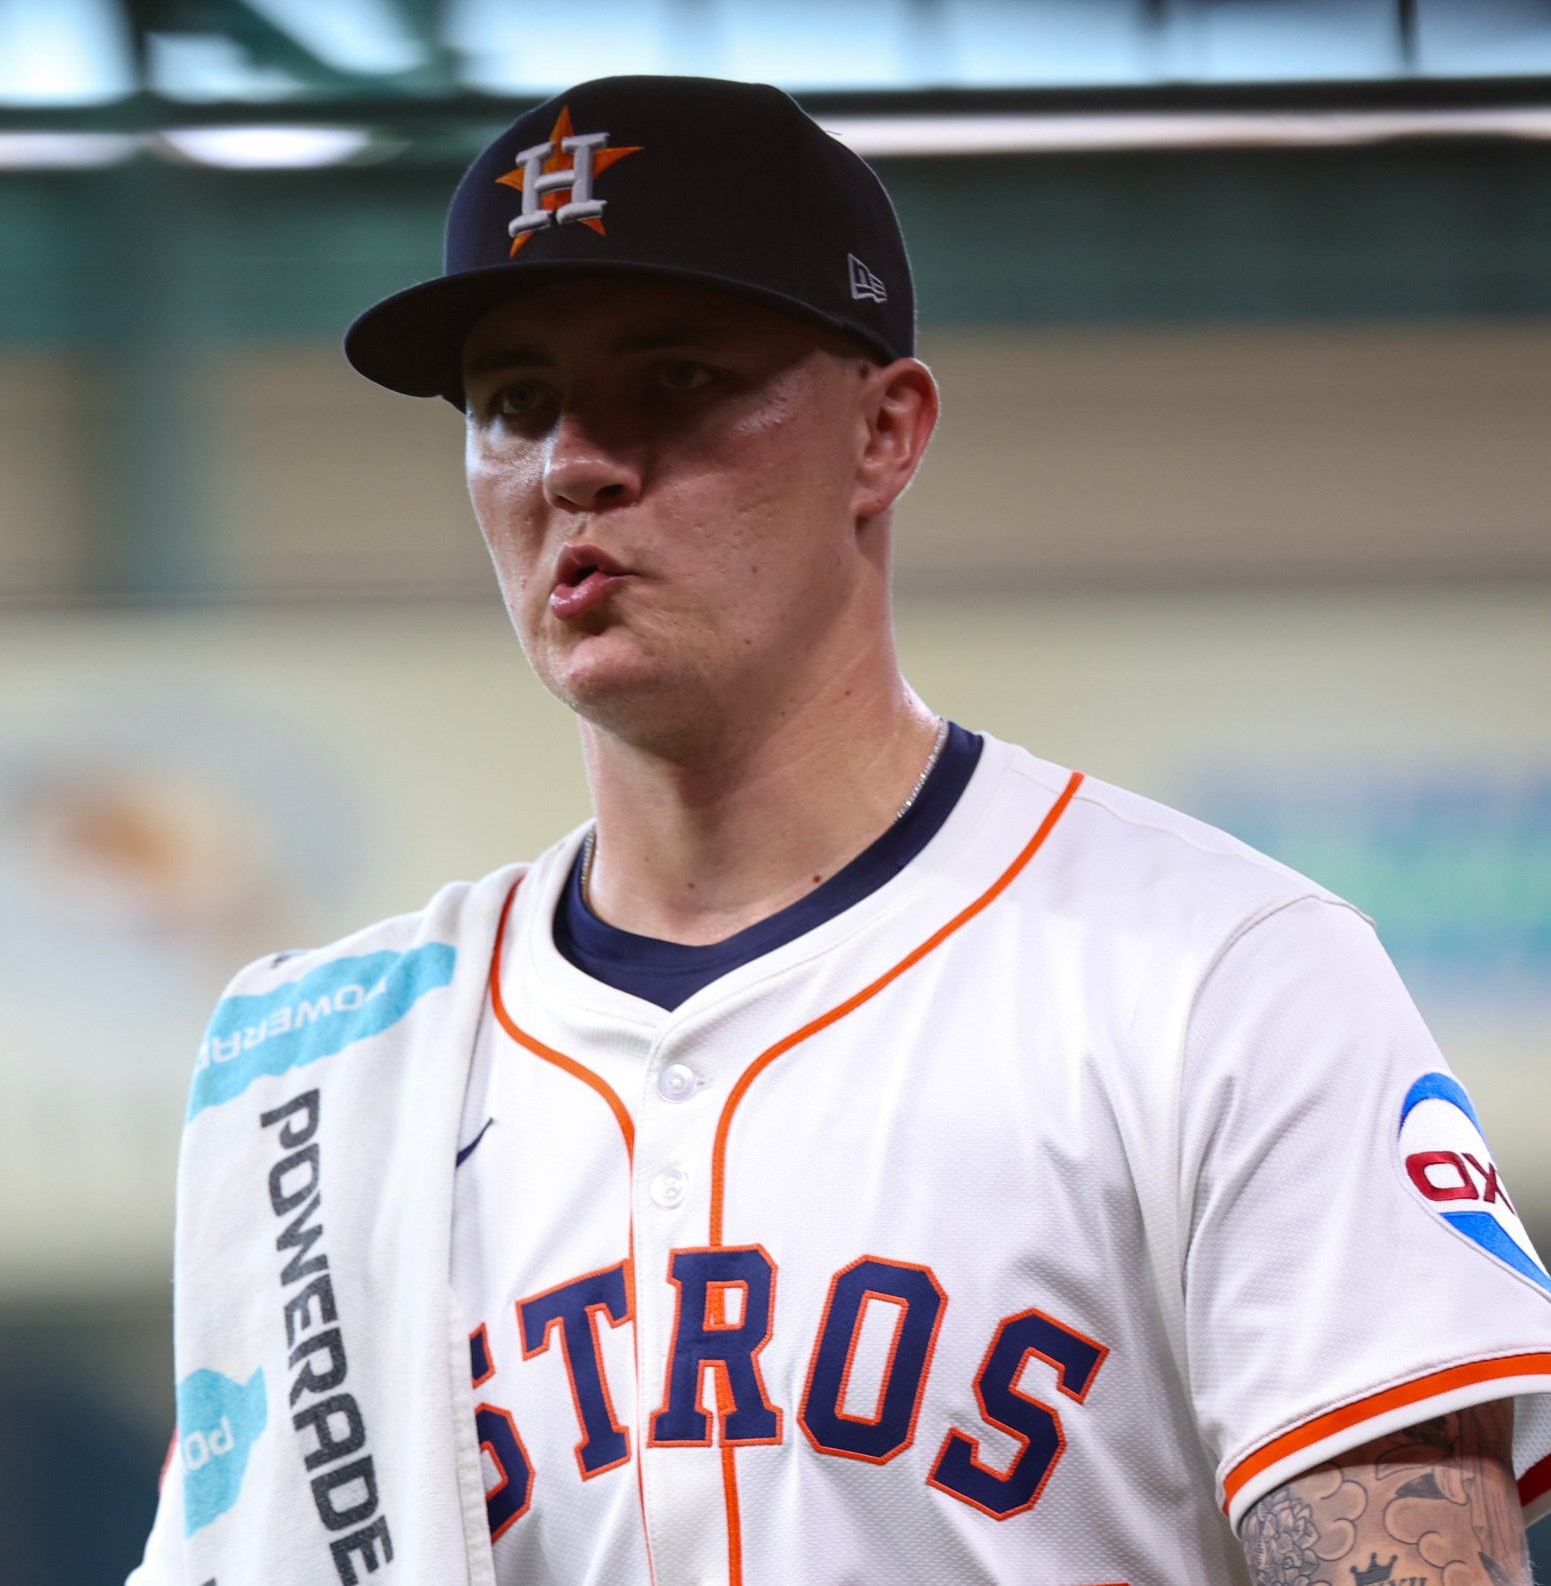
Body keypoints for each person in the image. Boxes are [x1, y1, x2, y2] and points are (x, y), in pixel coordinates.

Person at [128, 75, 1551, 1586]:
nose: (574, 464)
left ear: (886, 433)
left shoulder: (1221, 976)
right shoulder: (330, 1070)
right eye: (514, 401)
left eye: (672, 377)